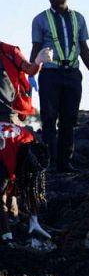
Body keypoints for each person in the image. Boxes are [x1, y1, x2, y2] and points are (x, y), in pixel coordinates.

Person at [30, 0, 89, 173]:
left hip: (72, 74)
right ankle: (49, 163)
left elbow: (84, 47)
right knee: (49, 119)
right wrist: (31, 72)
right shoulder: (40, 19)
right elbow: (36, 46)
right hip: (50, 74)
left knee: (69, 119)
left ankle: (65, 162)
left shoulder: (79, 19)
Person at [0, 42, 53, 242]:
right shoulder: (8, 51)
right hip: (13, 130)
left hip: (10, 124)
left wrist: (38, 62)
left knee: (26, 172)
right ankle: (16, 227)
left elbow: (29, 68)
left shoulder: (8, 51)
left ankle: (25, 224)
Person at [0, 123, 51, 243]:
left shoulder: (31, 142)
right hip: (3, 152)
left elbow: (32, 183)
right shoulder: (6, 157)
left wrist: (34, 219)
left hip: (10, 144)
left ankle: (14, 222)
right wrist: (7, 236)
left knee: (12, 195)